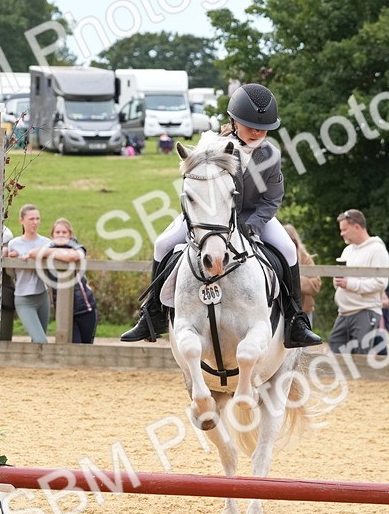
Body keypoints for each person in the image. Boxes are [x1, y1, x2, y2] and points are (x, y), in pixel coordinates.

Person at [120, 83, 322, 348]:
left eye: (263, 128)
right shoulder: (213, 147)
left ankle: (297, 320)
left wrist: (254, 225)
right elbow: (194, 181)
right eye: (250, 126)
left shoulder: (271, 154)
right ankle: (153, 315)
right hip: (209, 216)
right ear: (234, 122)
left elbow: (272, 198)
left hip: (254, 217)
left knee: (288, 249)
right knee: (162, 244)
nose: (257, 132)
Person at [329, 209, 389, 354]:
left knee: (360, 353)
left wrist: (349, 284)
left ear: (356, 227)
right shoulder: (347, 251)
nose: (341, 233)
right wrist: (337, 281)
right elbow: (341, 279)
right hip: (344, 312)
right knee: (335, 346)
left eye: (344, 229)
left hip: (365, 311)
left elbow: (381, 283)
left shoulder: (377, 250)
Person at [36, 217, 97, 343]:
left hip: (84, 308)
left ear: (70, 235)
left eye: (64, 232)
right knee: (73, 346)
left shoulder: (78, 247)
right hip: (63, 310)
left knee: (86, 347)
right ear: (52, 235)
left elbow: (74, 256)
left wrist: (49, 252)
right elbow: (33, 253)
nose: (61, 235)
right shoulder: (47, 248)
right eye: (57, 232)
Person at [7, 204, 52, 343]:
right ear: (22, 220)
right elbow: (10, 273)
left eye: (38, 219)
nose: (35, 222)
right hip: (23, 298)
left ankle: (39, 365)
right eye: (32, 219)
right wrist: (12, 260)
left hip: (42, 296)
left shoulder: (46, 242)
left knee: (37, 342)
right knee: (41, 341)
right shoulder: (14, 244)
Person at [283, 224, 321, 327]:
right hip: (280, 312)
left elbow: (316, 285)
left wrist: (294, 278)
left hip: (303, 313)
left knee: (303, 343)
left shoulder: (305, 259)